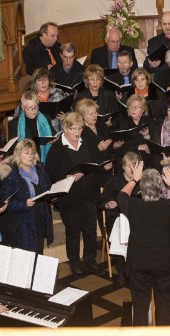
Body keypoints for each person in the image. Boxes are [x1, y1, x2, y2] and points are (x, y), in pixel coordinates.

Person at [118, 164, 170, 326]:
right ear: (161, 187)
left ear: (141, 188)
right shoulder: (169, 206)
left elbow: (121, 196)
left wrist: (134, 179)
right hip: (164, 264)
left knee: (140, 307)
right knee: (164, 307)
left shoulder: (134, 205)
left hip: (139, 263)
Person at [45, 113, 111, 276]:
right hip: (69, 197)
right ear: (65, 128)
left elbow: (94, 163)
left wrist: (102, 167)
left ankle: (90, 261)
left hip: (88, 194)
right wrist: (67, 177)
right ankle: (74, 262)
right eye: (73, 129)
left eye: (80, 128)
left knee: (90, 230)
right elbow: (50, 174)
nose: (77, 132)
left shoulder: (86, 142)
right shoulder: (57, 149)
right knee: (73, 231)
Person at [0, 139, 54, 254]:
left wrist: (53, 196)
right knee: (25, 258)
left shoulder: (40, 170)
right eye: (26, 153)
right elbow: (6, 203)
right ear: (18, 155)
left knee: (39, 253)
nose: (30, 156)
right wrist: (24, 204)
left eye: (32, 153)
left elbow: (49, 188)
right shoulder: (12, 175)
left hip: (39, 218)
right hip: (22, 224)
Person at [99, 152, 141, 286]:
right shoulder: (114, 181)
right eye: (128, 166)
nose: (131, 169)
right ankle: (121, 271)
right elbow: (100, 202)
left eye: (134, 165)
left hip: (137, 216)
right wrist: (107, 204)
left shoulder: (143, 180)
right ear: (123, 167)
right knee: (117, 232)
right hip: (116, 215)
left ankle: (138, 268)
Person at [8, 91, 55, 163]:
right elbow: (12, 149)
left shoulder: (46, 119)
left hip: (46, 160)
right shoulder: (14, 124)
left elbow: (54, 135)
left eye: (35, 107)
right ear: (23, 107)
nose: (34, 111)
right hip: (26, 162)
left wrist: (54, 140)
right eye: (30, 108)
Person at [114, 94, 157, 169]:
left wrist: (147, 136)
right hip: (129, 163)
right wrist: (137, 147)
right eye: (131, 107)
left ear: (143, 109)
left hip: (148, 163)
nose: (133, 109)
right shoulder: (124, 124)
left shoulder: (150, 122)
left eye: (136, 107)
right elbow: (121, 148)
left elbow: (156, 146)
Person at [28, 67, 68, 131]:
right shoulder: (29, 97)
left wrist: (66, 117)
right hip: (37, 131)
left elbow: (71, 113)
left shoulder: (58, 93)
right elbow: (19, 118)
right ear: (35, 82)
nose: (43, 83)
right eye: (40, 80)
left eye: (46, 79)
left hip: (57, 131)